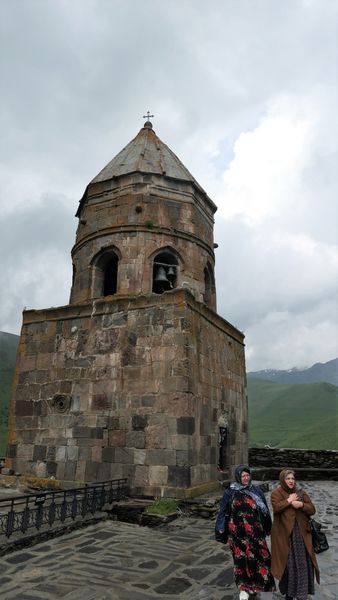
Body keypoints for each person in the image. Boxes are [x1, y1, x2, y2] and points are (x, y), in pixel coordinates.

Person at [215, 464, 275, 599]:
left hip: (255, 532)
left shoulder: (256, 491)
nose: (246, 478)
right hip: (237, 533)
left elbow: (264, 510)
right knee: (240, 559)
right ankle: (243, 588)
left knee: (258, 558)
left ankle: (254, 585)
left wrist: (268, 527)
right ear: (238, 477)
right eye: (243, 476)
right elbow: (223, 511)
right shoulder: (230, 492)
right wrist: (220, 527)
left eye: (247, 475)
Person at [271, 469, 320, 599]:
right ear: (283, 480)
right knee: (289, 567)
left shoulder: (301, 493)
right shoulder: (276, 493)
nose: (291, 481)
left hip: (302, 537)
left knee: (303, 565)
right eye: (288, 479)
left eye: (292, 478)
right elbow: (276, 508)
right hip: (286, 538)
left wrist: (302, 505)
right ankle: (289, 594)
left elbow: (312, 509)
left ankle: (302, 593)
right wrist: (289, 500)